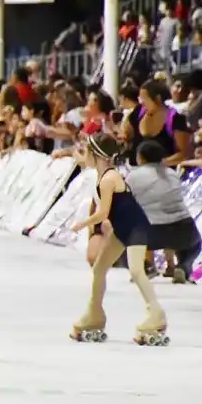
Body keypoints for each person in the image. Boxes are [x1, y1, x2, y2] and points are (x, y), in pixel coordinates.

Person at [69, 134, 168, 346]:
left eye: (88, 152)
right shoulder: (102, 175)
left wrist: (82, 224)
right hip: (122, 230)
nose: (86, 156)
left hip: (135, 228)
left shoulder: (109, 179)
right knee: (99, 268)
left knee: (136, 271)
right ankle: (95, 313)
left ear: (98, 156)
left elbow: (103, 213)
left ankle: (156, 313)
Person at [126, 140, 200, 285]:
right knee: (194, 242)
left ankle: (147, 265)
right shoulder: (172, 174)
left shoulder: (133, 176)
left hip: (151, 233)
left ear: (140, 157)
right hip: (183, 228)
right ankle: (182, 266)